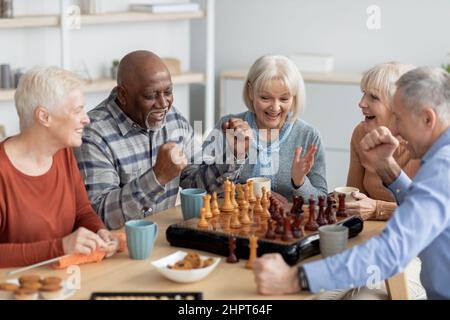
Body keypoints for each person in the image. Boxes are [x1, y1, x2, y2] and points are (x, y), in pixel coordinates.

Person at [253, 67, 450, 300]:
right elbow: (422, 210)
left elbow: (391, 251)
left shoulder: (442, 167)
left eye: (399, 118)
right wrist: (387, 168)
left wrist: (295, 278)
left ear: (428, 119)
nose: (395, 129)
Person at [75, 50, 250, 229]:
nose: (163, 103)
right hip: (116, 247)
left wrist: (233, 155)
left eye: (168, 92)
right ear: (123, 95)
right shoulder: (92, 134)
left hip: (162, 238)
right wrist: (157, 176)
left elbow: (196, 182)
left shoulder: (172, 119)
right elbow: (100, 217)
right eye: (151, 96)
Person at [0, 66, 118, 268]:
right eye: (77, 110)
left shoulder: (62, 152)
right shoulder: (3, 171)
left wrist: (99, 232)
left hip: (64, 280)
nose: (87, 119)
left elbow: (82, 212)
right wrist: (60, 247)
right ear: (44, 117)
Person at [181, 55, 327, 201]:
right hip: (234, 222)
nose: (275, 108)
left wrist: (299, 183)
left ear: (294, 97)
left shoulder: (309, 136)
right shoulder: (228, 126)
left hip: (288, 223)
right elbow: (196, 187)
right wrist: (239, 189)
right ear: (251, 92)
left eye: (284, 99)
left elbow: (323, 200)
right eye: (265, 98)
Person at [346, 62, 420, 221]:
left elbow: (427, 211)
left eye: (373, 97)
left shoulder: (425, 144)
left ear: (399, 106)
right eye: (364, 93)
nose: (361, 103)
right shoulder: (361, 133)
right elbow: (355, 194)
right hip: (372, 230)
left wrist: (377, 209)